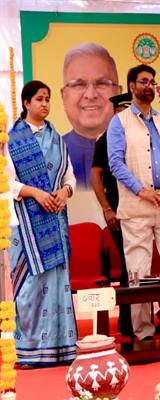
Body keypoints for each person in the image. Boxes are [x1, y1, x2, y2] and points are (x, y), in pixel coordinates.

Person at [107, 64, 160, 341]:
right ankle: (143, 332)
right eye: (144, 81)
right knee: (138, 271)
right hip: (136, 206)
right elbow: (115, 163)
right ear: (132, 86)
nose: (149, 86)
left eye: (152, 81)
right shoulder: (119, 122)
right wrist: (143, 191)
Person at [8, 80, 77, 366]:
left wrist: (65, 192)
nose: (45, 104)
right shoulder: (11, 140)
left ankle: (60, 349)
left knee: (57, 282)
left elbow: (69, 177)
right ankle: (29, 350)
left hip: (55, 220)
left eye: (48, 99)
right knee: (30, 284)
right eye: (39, 99)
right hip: (25, 224)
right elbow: (7, 182)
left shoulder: (57, 139)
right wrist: (35, 193)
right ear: (26, 103)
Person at [90, 92, 133, 337]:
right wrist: (107, 208)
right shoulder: (105, 139)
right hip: (117, 208)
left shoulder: (139, 136)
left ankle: (145, 319)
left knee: (142, 266)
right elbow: (96, 176)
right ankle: (127, 322)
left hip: (141, 208)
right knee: (129, 265)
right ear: (115, 112)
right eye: (122, 110)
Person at [61, 43, 121, 189]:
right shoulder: (53, 150)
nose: (90, 95)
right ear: (64, 95)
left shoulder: (134, 145)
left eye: (102, 84)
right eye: (79, 85)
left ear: (118, 93)